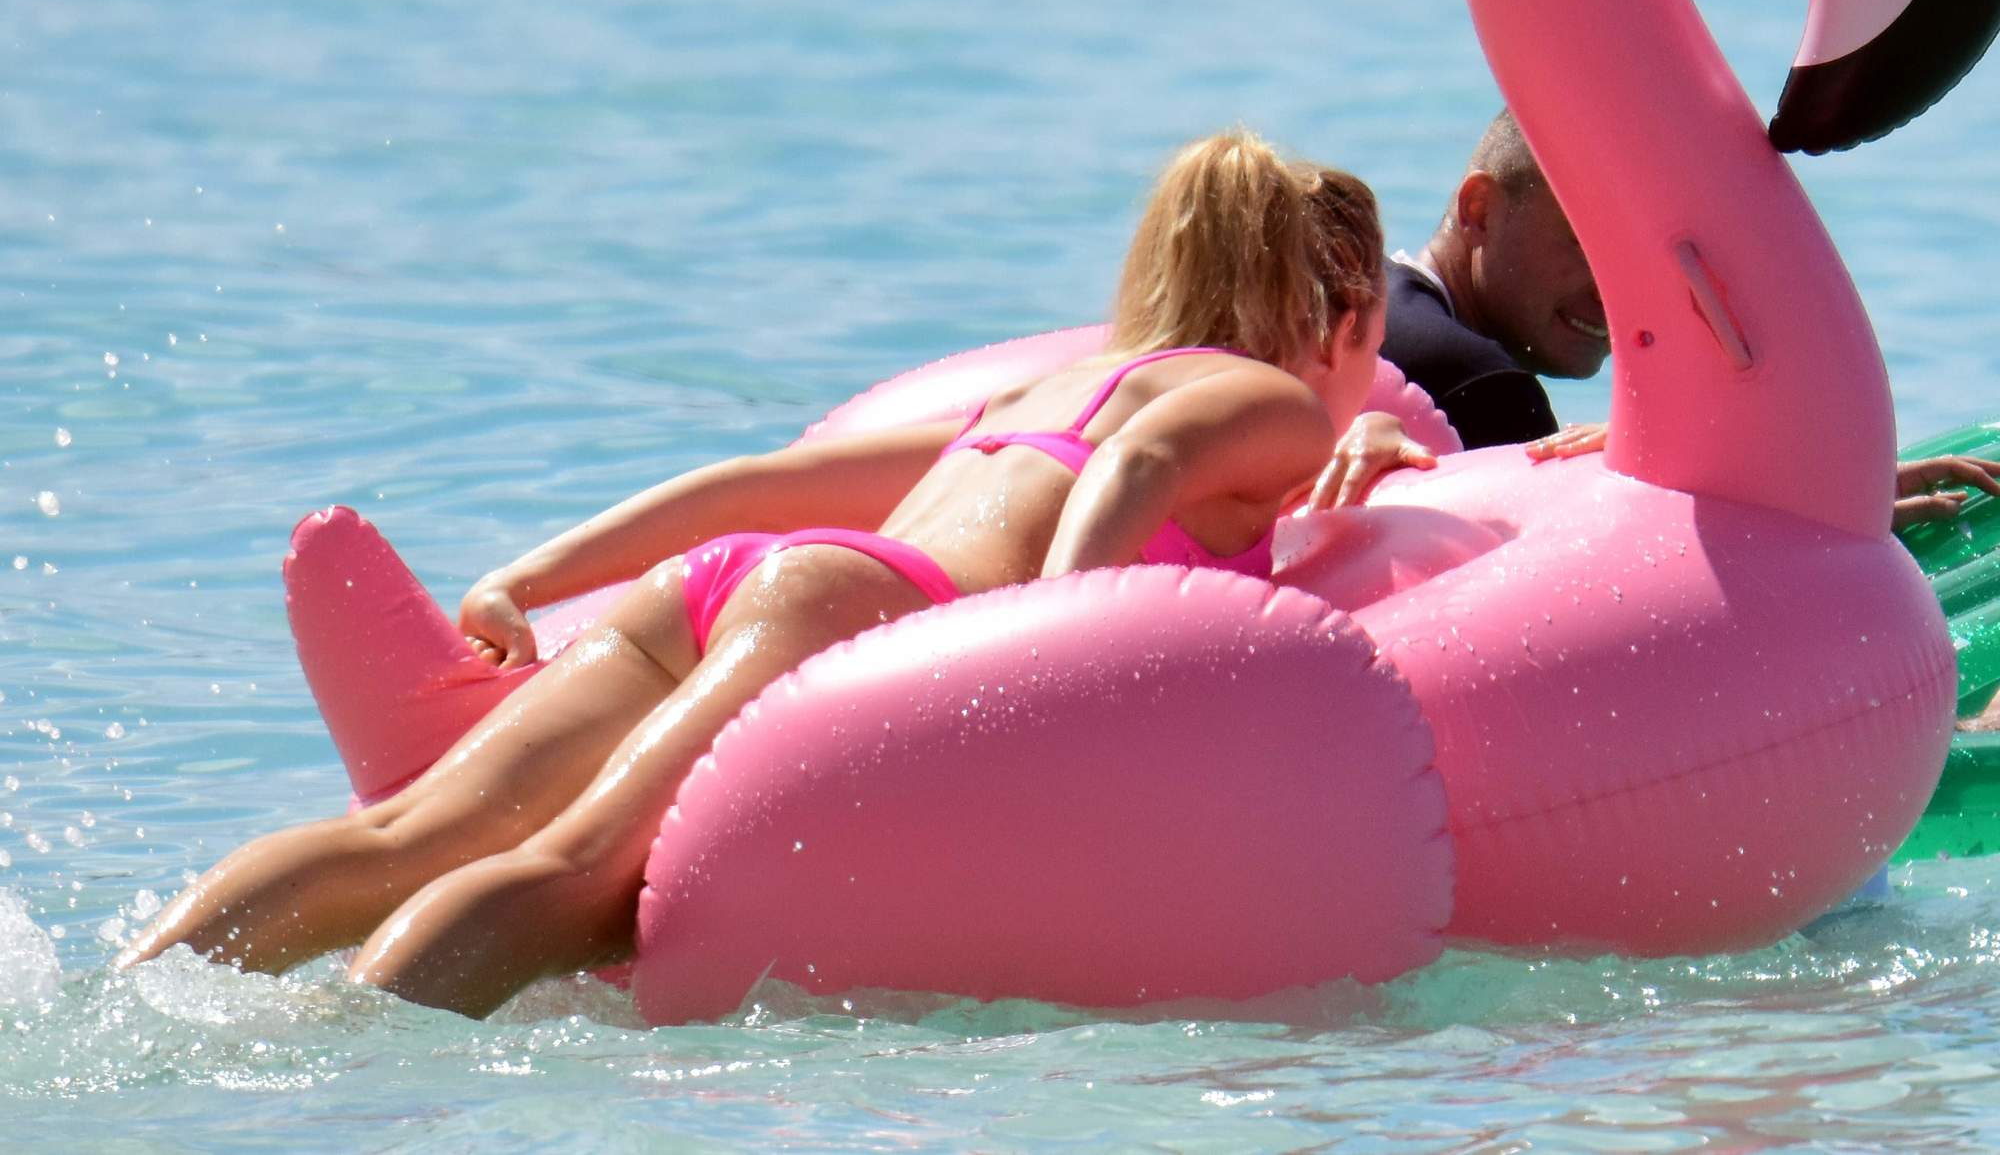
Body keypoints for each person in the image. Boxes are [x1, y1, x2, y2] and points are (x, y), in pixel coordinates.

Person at [115, 129, 1389, 1017]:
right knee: (579, 880)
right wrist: (1060, 645)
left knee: (397, 837)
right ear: (1342, 315)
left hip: (730, 581)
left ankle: (133, 999)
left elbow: (755, 486)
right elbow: (1140, 470)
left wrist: (530, 577)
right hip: (854, 608)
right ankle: (342, 1087)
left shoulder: (1044, 391)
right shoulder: (1271, 400)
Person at [1312, 108, 2000, 528]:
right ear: (1479, 209)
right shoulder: (1475, 382)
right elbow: (1598, 583)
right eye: (1587, 244)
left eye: (1636, 262)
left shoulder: (1372, 316)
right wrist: (1807, 515)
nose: (1615, 293)